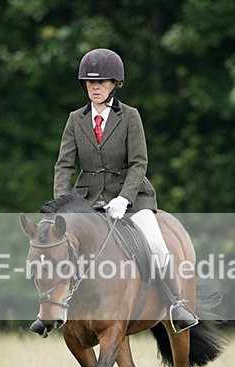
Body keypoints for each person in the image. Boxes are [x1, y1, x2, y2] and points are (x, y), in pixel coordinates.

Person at [53, 48, 198, 331]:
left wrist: (124, 198)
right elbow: (64, 166)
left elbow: (139, 162)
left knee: (156, 243)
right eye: (90, 82)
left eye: (102, 82)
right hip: (87, 201)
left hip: (131, 199)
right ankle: (51, 310)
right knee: (57, 247)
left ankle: (176, 305)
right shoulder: (75, 119)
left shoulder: (130, 116)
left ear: (115, 84)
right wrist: (63, 205)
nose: (95, 87)